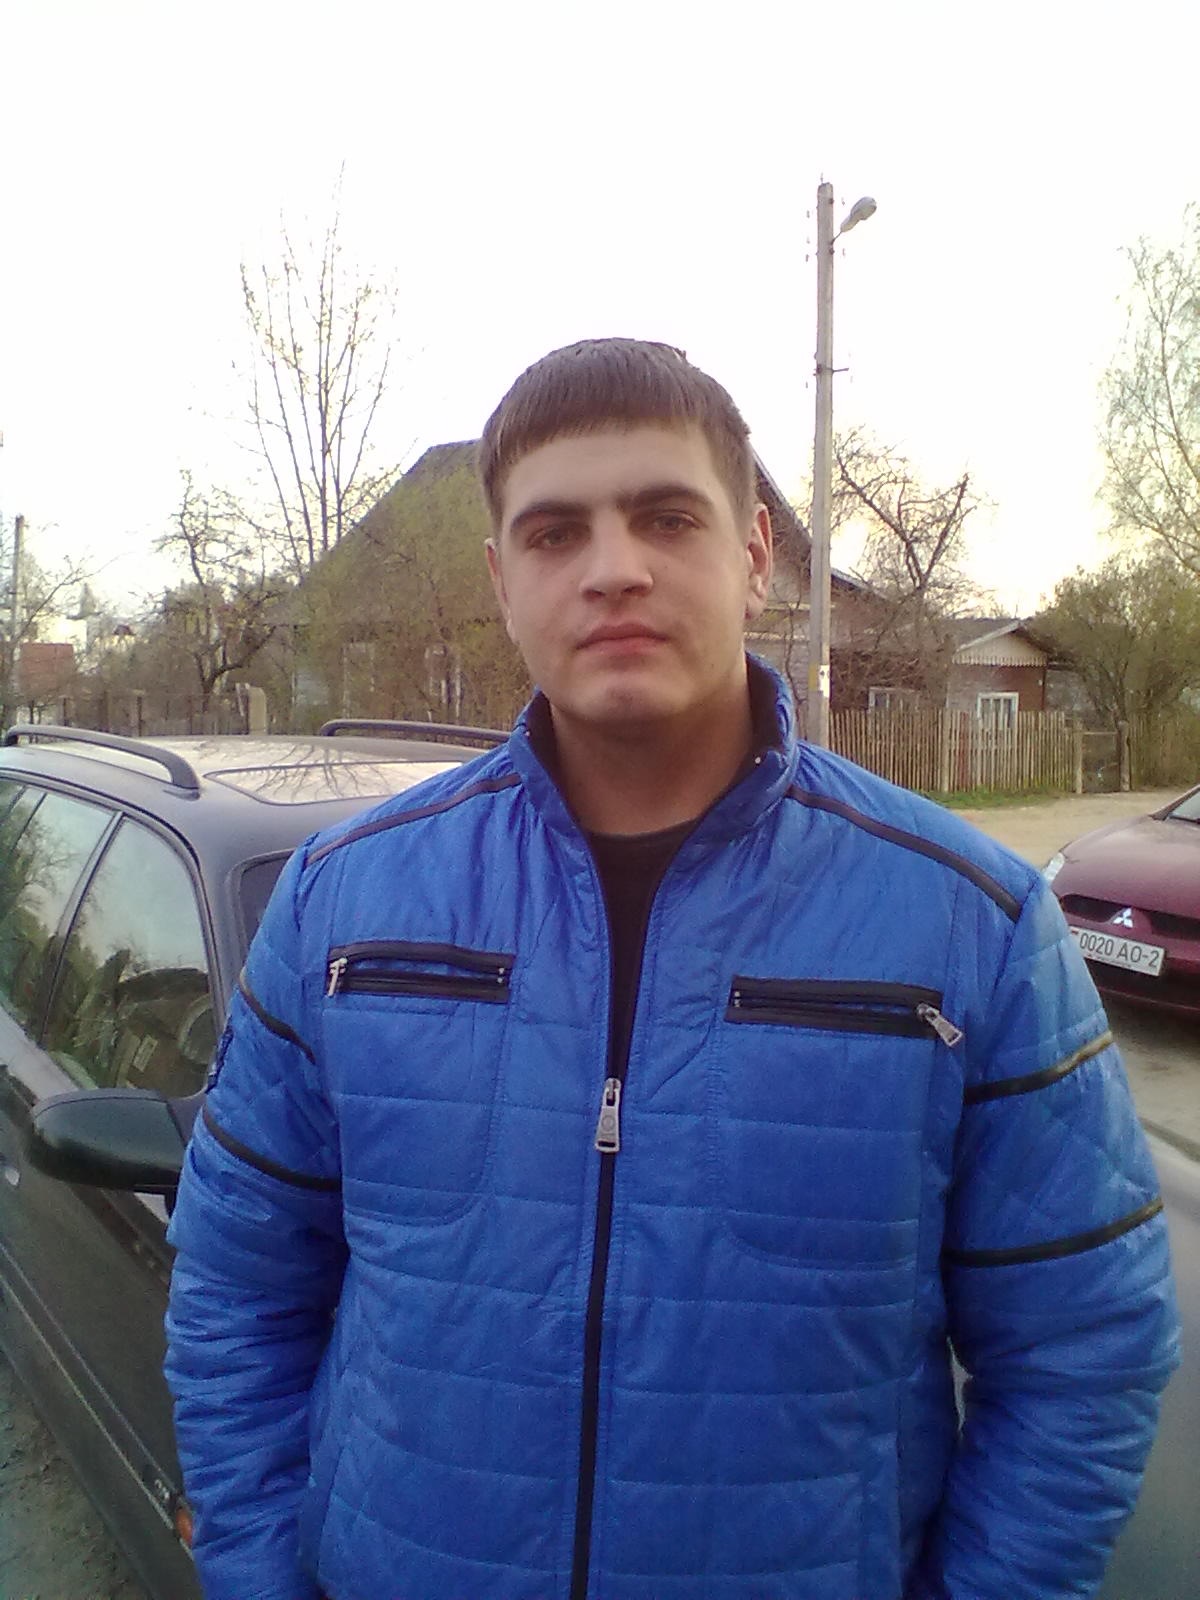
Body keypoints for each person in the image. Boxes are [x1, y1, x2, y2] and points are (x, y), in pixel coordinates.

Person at [165, 338, 1179, 1600]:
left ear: (755, 553)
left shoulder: (971, 921)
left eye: (666, 516)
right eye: (555, 533)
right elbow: (236, 1289)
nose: (614, 568)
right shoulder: (342, 904)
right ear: (501, 581)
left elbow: (1084, 1349)